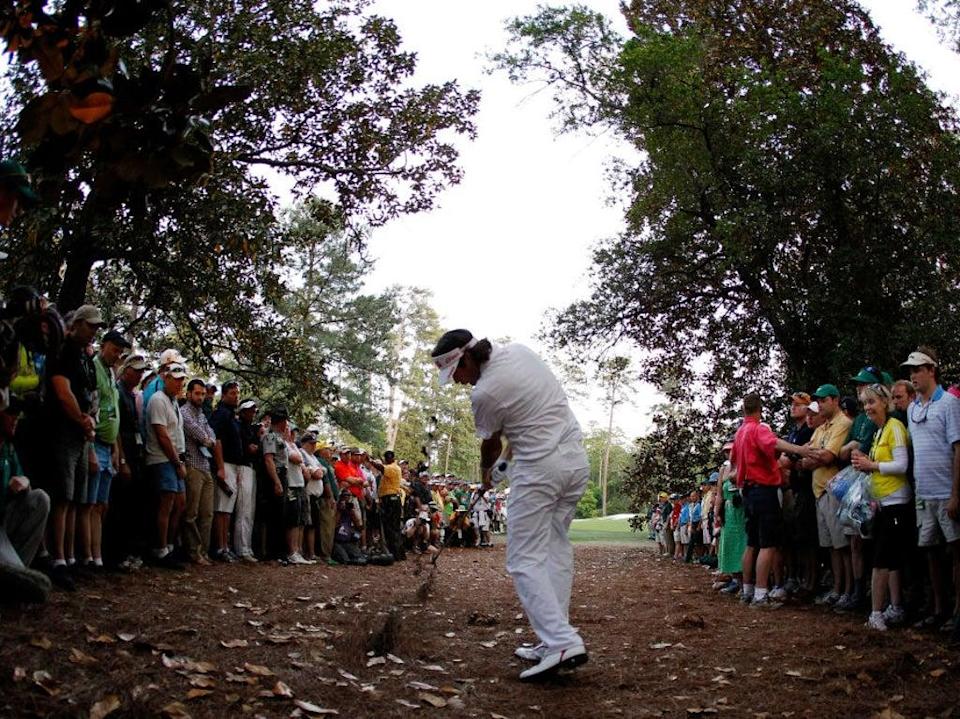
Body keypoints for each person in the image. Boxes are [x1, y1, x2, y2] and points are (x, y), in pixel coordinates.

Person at [432, 329, 589, 681]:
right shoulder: (520, 353)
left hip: (540, 473)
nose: (457, 381)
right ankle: (552, 639)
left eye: (456, 372)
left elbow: (490, 443)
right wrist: (503, 463)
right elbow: (528, 420)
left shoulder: (484, 393)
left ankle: (562, 641)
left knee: (523, 559)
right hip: (575, 462)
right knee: (554, 550)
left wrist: (487, 471)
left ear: (467, 359)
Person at [729, 392, 810, 608]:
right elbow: (774, 443)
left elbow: (733, 463)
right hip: (764, 490)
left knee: (752, 542)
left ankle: (747, 591)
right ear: (760, 409)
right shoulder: (757, 429)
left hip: (747, 491)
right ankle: (761, 594)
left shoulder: (739, 433)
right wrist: (800, 449)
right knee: (768, 544)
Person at [42, 304, 103, 589]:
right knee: (62, 497)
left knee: (76, 499)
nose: (93, 332)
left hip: (81, 435)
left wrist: (88, 421)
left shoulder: (83, 358)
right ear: (76, 323)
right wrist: (81, 419)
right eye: (90, 326)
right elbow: (62, 390)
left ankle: (70, 558)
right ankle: (57, 560)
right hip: (63, 431)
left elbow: (90, 395)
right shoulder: (63, 351)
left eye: (96, 327)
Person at [901, 347, 960, 634]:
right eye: (910, 370)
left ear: (931, 370)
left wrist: (956, 494)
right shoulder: (913, 409)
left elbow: (958, 448)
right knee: (931, 553)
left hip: (946, 492)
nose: (913, 375)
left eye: (918, 369)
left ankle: (957, 612)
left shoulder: (949, 403)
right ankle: (939, 609)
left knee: (955, 552)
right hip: (924, 493)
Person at [849, 384, 912, 630]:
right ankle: (895, 607)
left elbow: (901, 465)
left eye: (872, 402)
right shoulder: (879, 431)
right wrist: (865, 464)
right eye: (865, 404)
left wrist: (871, 465)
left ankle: (876, 613)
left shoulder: (894, 427)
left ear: (885, 402)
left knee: (881, 559)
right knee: (891, 558)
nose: (867, 408)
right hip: (882, 502)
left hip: (895, 501)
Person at [802, 383, 854, 607]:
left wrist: (813, 458)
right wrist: (814, 457)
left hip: (835, 490)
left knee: (842, 546)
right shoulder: (821, 428)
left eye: (823, 400)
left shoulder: (842, 423)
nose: (820, 405)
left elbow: (827, 457)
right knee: (832, 546)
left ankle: (849, 591)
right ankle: (837, 589)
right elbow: (804, 460)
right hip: (820, 491)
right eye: (819, 401)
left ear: (835, 400)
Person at [0, 397, 51, 603]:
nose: (16, 419)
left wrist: (24, 482)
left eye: (17, 415)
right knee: (35, 586)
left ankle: (18, 570)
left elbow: (22, 482)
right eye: (10, 414)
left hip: (4, 524)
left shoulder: (8, 448)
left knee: (40, 498)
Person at [87, 329, 129, 569]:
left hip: (108, 444)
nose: (117, 355)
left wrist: (116, 450)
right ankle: (89, 557)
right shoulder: (93, 367)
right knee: (90, 504)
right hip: (94, 441)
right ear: (104, 345)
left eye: (120, 352)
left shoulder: (112, 374)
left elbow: (114, 413)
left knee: (102, 504)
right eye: (114, 350)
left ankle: (97, 554)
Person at [145, 362, 189, 569]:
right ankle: (160, 549)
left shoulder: (174, 403)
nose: (179, 383)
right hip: (162, 458)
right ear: (165, 378)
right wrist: (176, 462)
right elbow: (162, 435)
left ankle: (169, 546)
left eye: (182, 380)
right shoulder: (157, 400)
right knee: (167, 503)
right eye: (176, 379)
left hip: (175, 458)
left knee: (180, 504)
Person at [181, 379, 222, 566]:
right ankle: (192, 551)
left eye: (203, 394)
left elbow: (211, 435)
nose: (200, 397)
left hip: (205, 465)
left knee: (207, 513)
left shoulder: (202, 414)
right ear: (189, 393)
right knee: (192, 512)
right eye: (197, 393)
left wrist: (209, 440)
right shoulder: (184, 412)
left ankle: (203, 552)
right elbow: (200, 435)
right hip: (192, 465)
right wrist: (208, 440)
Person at [234, 399, 259, 562]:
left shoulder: (253, 429)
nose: (252, 413)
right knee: (243, 509)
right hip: (242, 467)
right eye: (249, 410)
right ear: (242, 412)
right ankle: (241, 548)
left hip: (251, 468)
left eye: (253, 410)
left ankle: (247, 547)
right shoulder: (238, 427)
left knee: (250, 510)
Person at [378, 450, 405, 560]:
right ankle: (398, 553)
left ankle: (395, 553)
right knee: (393, 527)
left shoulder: (393, 468)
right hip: (391, 499)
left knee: (391, 527)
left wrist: (370, 461)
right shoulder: (392, 467)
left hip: (391, 499)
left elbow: (381, 468)